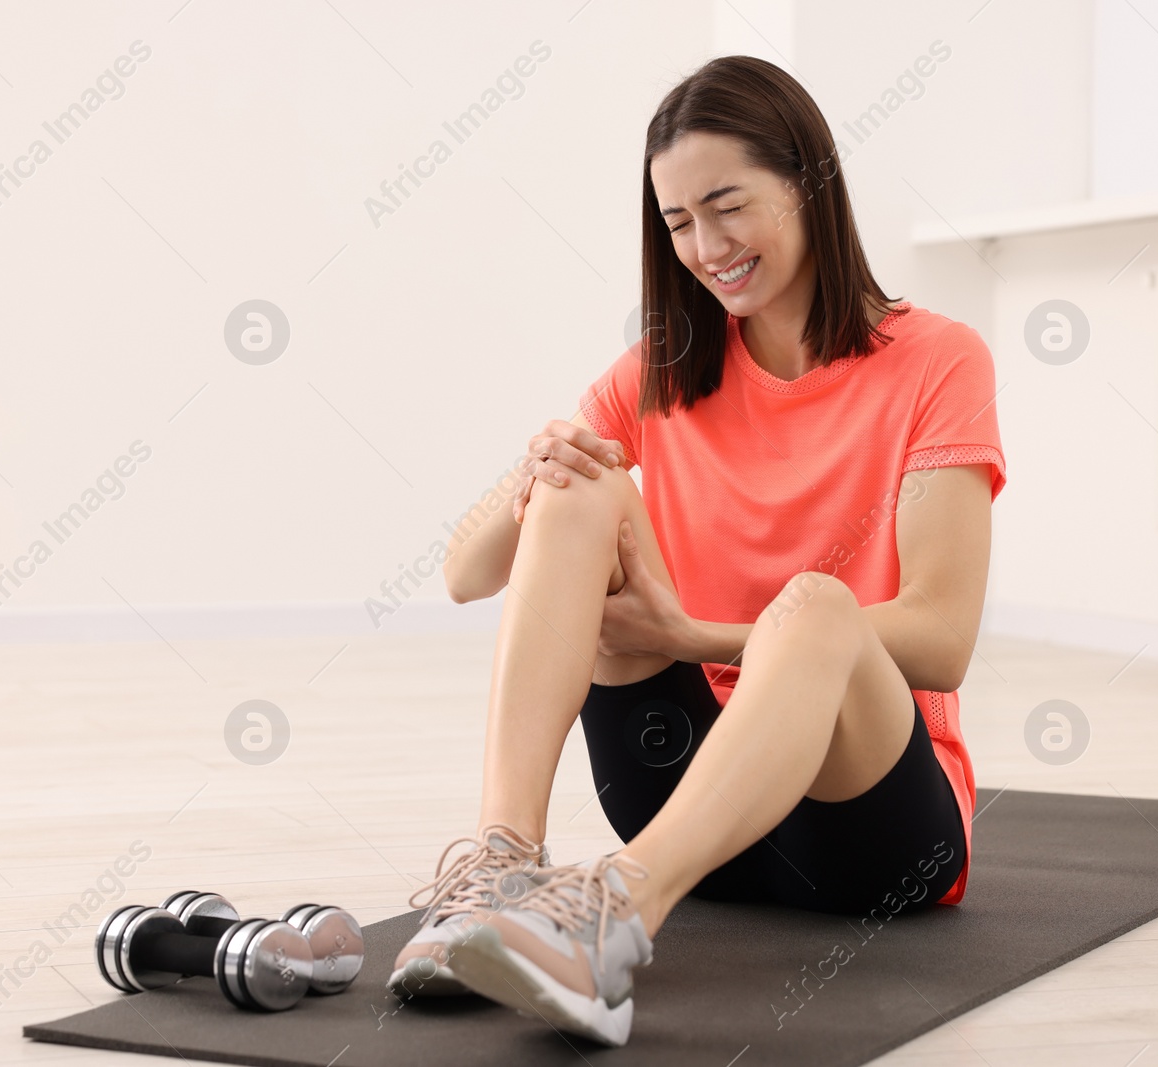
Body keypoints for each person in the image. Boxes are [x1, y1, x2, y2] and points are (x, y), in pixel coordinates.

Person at [386, 54, 1007, 1047]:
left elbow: (939, 635)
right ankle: (501, 863)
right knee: (579, 489)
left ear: (806, 182)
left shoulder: (934, 360)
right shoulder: (664, 370)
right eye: (678, 223)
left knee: (815, 605)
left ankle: (613, 916)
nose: (706, 246)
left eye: (727, 206)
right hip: (688, 799)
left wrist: (694, 630)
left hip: (869, 834)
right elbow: (468, 576)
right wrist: (536, 468)